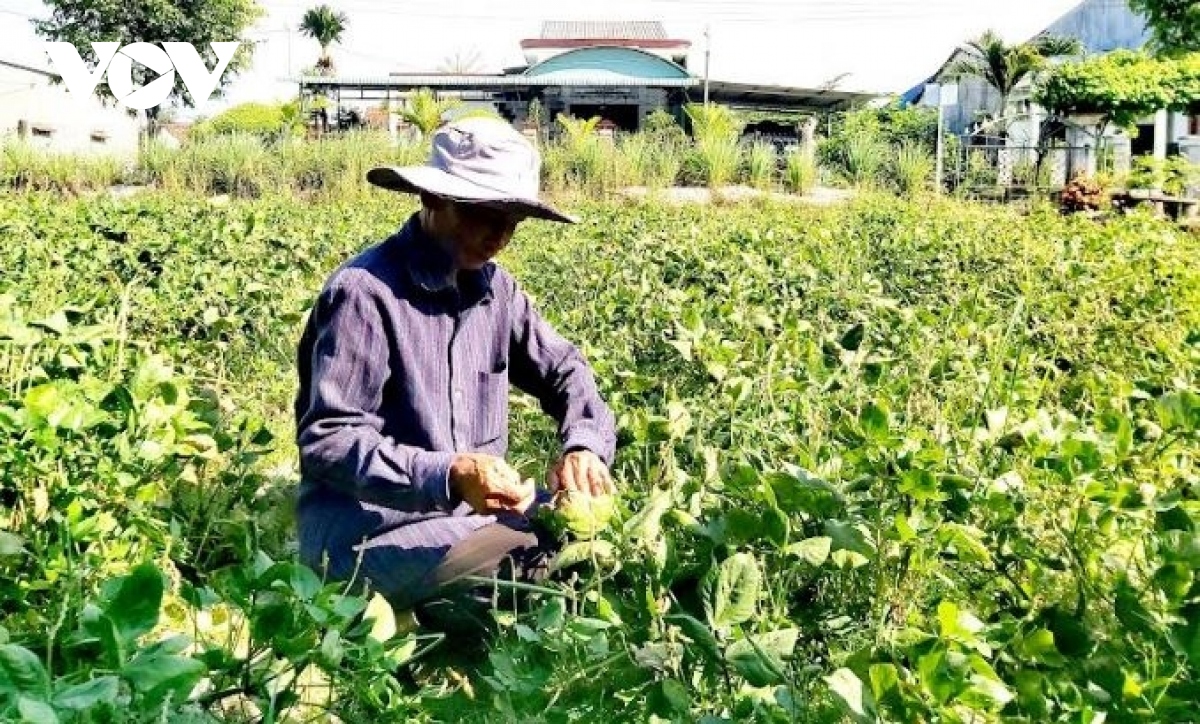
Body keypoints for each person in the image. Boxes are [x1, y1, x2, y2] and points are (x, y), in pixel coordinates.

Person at [294, 117, 617, 629]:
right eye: (484, 213)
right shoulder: (365, 294)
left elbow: (566, 370)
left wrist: (584, 445)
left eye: (513, 220)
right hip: (372, 534)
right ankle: (388, 621)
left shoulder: (497, 291)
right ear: (432, 199)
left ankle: (420, 618)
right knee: (543, 564)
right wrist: (449, 475)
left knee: (596, 539)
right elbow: (328, 441)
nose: (499, 235)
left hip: (470, 523)